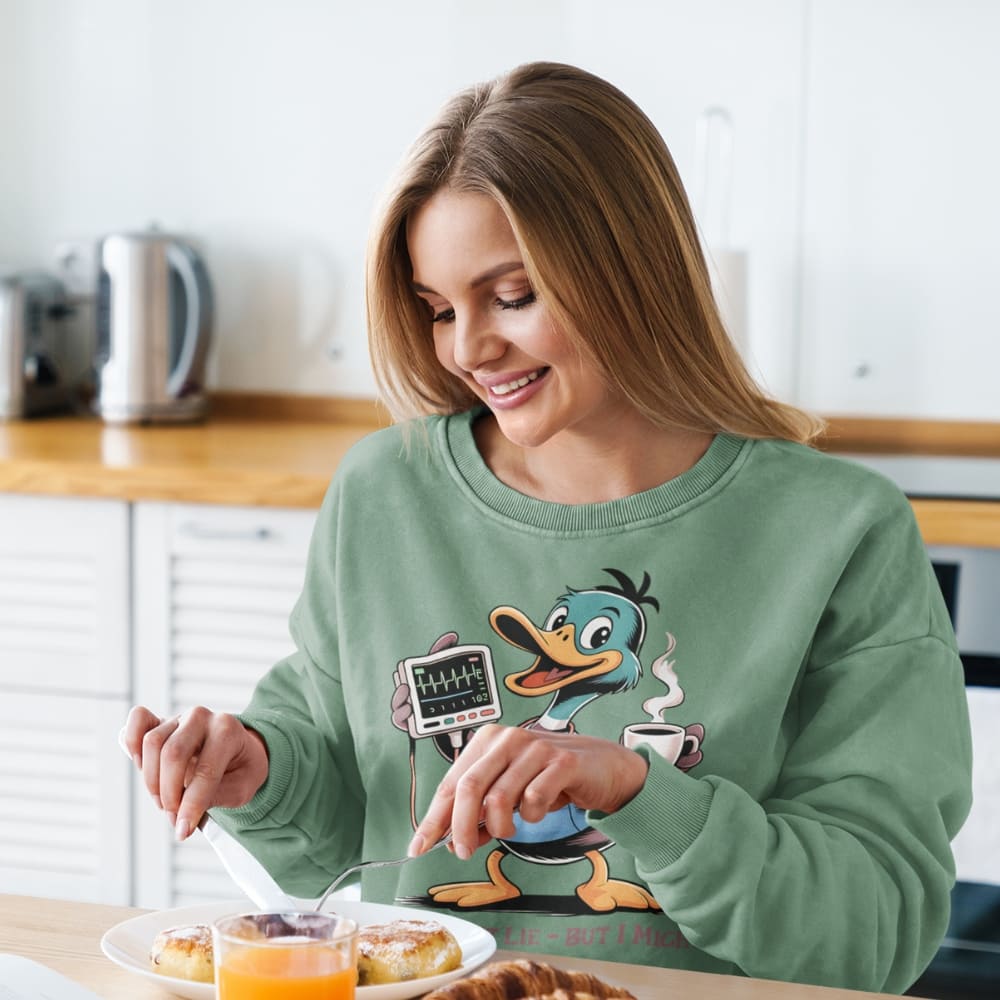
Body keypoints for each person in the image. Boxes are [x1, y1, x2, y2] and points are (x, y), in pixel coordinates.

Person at [122, 61, 972, 993]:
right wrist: (259, 773)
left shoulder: (840, 533)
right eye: (439, 309)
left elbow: (874, 935)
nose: (467, 349)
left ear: (628, 268)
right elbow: (351, 837)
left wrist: (644, 794)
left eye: (512, 296)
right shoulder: (384, 493)